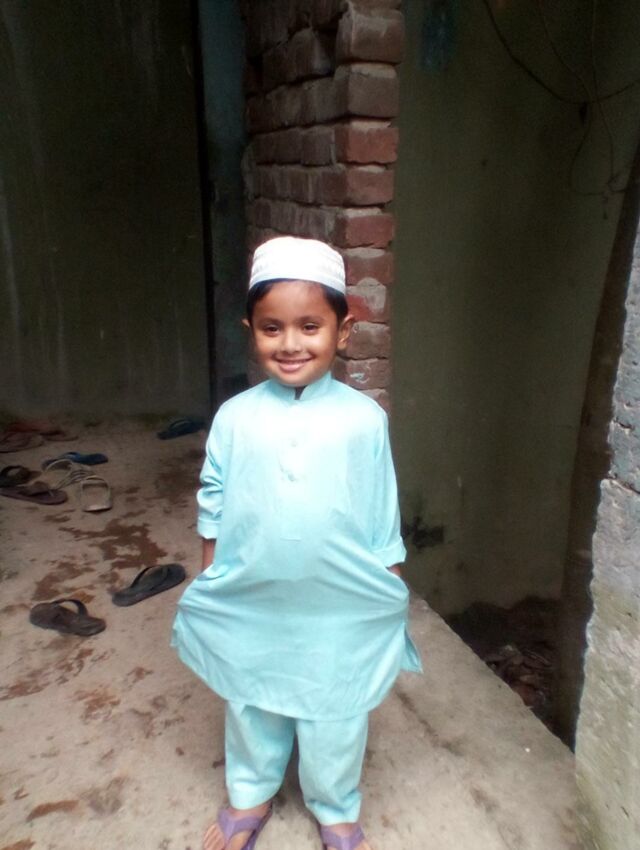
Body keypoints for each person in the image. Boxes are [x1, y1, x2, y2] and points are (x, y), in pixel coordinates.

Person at [172, 235, 421, 850]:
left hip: (337, 599)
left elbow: (380, 506)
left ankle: (335, 808)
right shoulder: (235, 417)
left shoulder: (364, 419)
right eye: (272, 328)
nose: (290, 344)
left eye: (310, 326)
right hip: (253, 592)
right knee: (250, 695)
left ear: (343, 330)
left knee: (337, 706)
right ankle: (250, 794)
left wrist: (388, 586)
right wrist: (212, 575)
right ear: (250, 331)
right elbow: (215, 497)